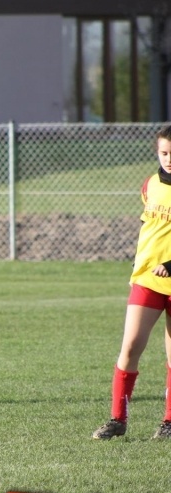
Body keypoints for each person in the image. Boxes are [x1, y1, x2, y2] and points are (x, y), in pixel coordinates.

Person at [92, 125, 171, 440]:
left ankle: (169, 422)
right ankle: (117, 420)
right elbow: (149, 227)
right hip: (147, 279)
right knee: (130, 346)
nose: (168, 158)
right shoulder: (150, 184)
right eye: (164, 152)